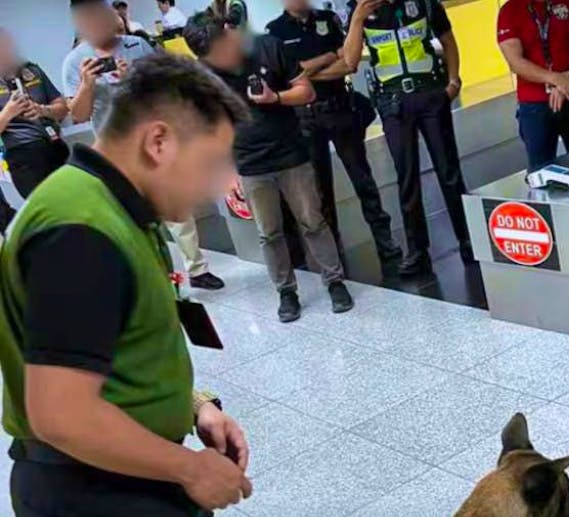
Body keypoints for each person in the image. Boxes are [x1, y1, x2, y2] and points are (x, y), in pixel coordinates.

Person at [1, 53, 253, 517]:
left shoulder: (113, 204)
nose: (220, 186)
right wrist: (189, 468)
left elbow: (116, 346)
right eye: (211, 163)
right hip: (102, 501)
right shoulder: (79, 232)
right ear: (158, 142)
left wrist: (195, 405)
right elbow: (61, 415)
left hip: (141, 476)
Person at [185, 12, 355, 321]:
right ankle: (286, 292)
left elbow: (306, 92)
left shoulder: (267, 47)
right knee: (269, 233)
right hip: (249, 164)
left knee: (313, 221)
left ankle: (334, 281)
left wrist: (274, 97)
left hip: (290, 153)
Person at [65, 0, 228, 291]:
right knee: (131, 216)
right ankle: (153, 279)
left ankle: (197, 269)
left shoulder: (137, 45)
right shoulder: (75, 61)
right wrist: (87, 85)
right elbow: (77, 113)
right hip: (115, 151)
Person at [343, 0, 474, 276]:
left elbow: (448, 40)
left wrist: (453, 81)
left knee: (449, 172)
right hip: (393, 103)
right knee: (407, 177)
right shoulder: (360, 8)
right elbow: (350, 62)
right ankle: (418, 252)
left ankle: (469, 240)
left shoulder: (424, 2)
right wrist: (357, 19)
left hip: (431, 94)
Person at [266, 0, 402, 265]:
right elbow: (290, 77)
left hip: (340, 109)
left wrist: (308, 71)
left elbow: (349, 61)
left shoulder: (328, 19)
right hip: (307, 118)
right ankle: (334, 253)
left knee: (363, 180)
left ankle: (386, 243)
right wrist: (329, 57)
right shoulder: (276, 31)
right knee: (320, 192)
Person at [497, 0, 569, 172]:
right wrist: (555, 79)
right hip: (535, 105)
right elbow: (516, 62)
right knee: (541, 170)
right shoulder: (510, 11)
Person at [0, 29, 71, 199]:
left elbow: (63, 107)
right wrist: (8, 112)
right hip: (24, 155)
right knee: (48, 208)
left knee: (74, 200)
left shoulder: (32, 70)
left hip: (55, 145)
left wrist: (42, 110)